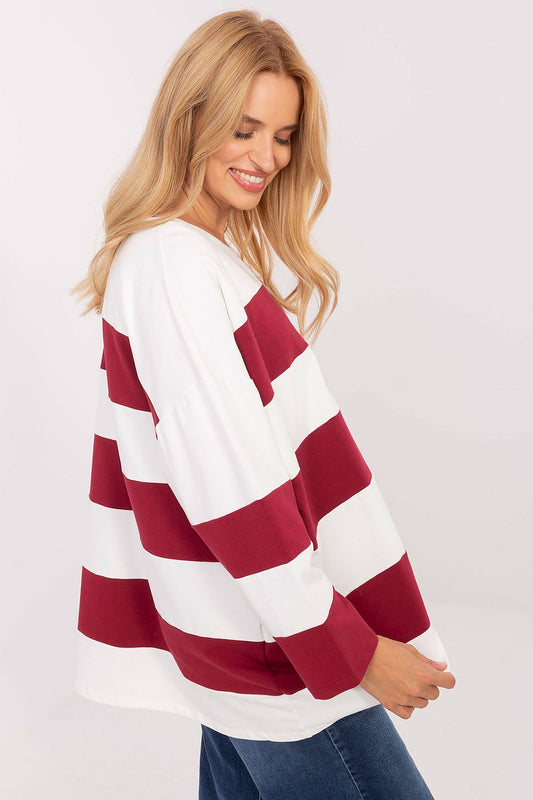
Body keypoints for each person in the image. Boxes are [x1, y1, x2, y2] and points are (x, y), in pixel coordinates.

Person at [70, 10, 456, 800]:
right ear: (189, 118)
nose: (267, 158)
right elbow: (231, 488)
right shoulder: (175, 267)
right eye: (243, 129)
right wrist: (349, 648)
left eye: (282, 137)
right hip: (282, 661)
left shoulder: (184, 257)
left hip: (248, 642)